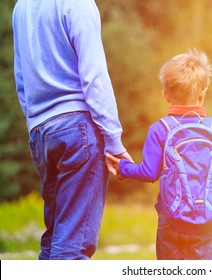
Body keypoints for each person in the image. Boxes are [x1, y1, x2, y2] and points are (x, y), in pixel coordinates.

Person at [12, 0, 131, 259]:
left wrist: (37, 123)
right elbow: (94, 75)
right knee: (73, 247)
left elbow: (21, 80)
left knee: (55, 238)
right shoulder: (77, 3)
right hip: (77, 129)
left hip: (40, 132)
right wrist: (113, 140)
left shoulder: (21, 7)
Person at [106, 49, 212, 260]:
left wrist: (122, 167)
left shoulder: (160, 130)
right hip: (209, 222)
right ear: (203, 92)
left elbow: (148, 173)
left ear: (165, 94)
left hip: (171, 220)